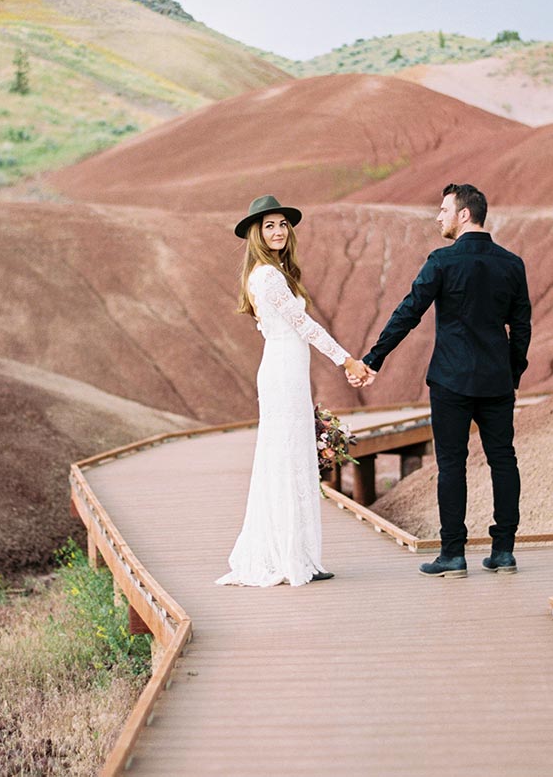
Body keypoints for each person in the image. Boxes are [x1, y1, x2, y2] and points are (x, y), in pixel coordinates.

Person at [359, 183, 531, 578]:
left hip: (451, 380)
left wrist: (375, 358)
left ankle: (453, 554)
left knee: (451, 465)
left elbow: (408, 312)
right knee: (504, 460)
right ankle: (503, 551)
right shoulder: (512, 264)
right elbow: (521, 326)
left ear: (464, 214)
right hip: (496, 381)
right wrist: (512, 372)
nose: (438, 217)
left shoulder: (442, 261)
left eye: (443, 210)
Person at [217, 194, 374, 587]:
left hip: (284, 367)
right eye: (269, 225)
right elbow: (304, 327)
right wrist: (347, 361)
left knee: (288, 457)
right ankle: (293, 558)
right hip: (284, 370)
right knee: (289, 459)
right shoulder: (268, 276)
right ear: (256, 233)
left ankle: (296, 554)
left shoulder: (269, 273)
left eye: (282, 224)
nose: (278, 231)